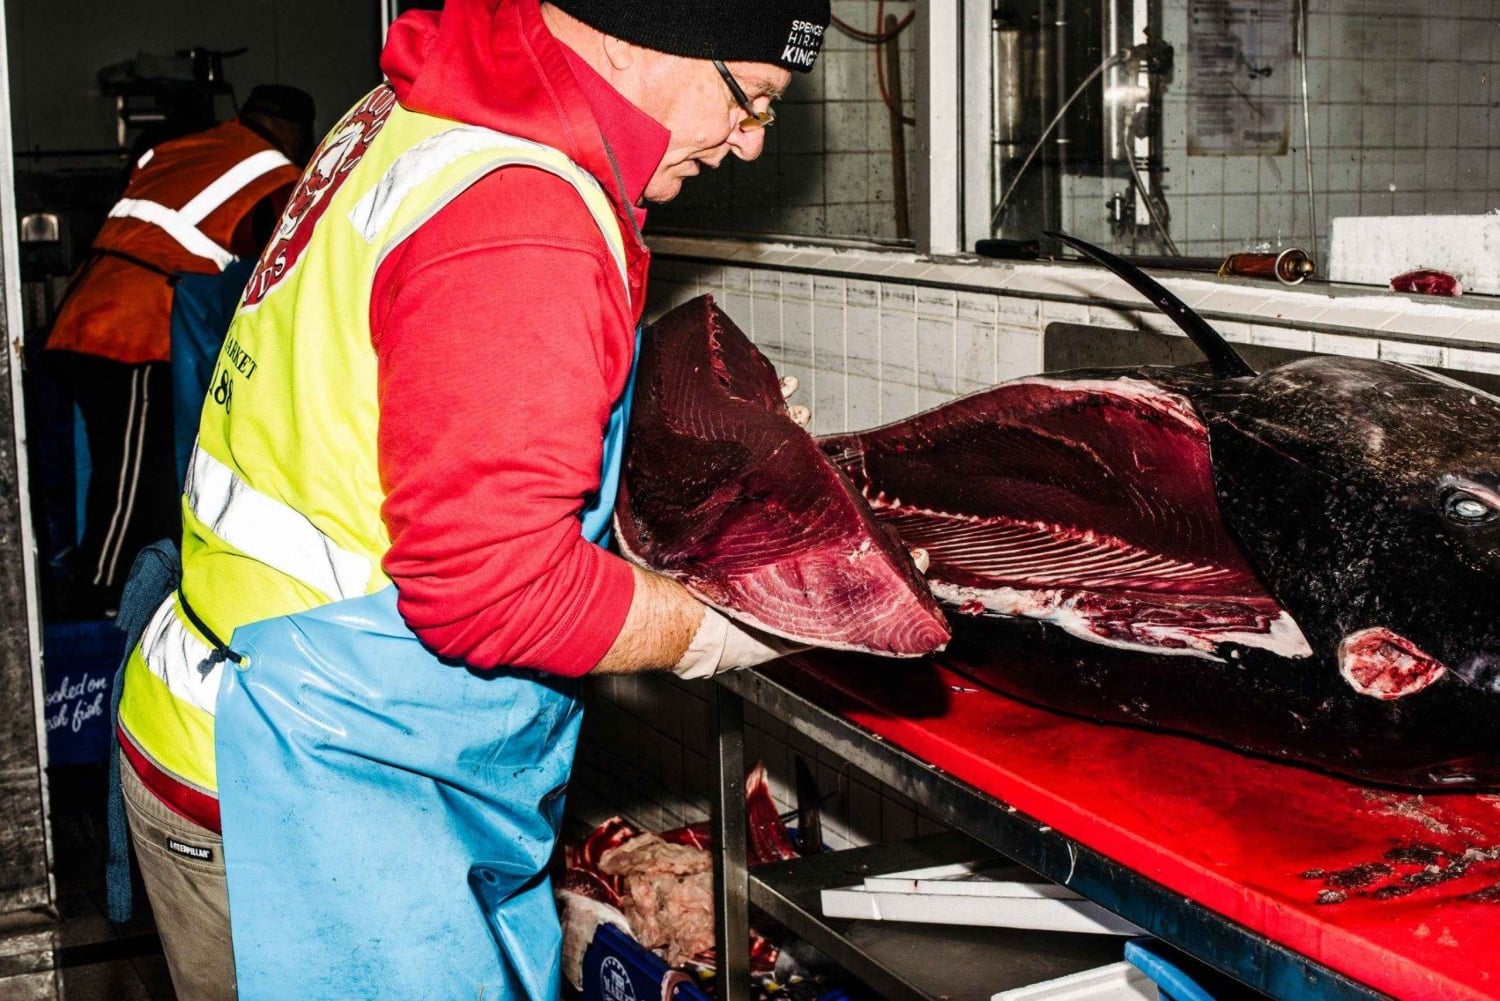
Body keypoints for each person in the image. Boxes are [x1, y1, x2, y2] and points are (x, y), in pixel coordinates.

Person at [111, 1, 829, 997]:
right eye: (746, 98)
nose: (747, 144)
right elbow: (494, 587)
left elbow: (407, 414)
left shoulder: (426, 116)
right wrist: (717, 625)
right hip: (313, 778)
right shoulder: (523, 207)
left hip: (254, 708)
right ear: (632, 31)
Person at [45, 85, 314, 618]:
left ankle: (98, 589)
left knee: (97, 474)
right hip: (134, 330)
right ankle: (96, 602)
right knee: (127, 481)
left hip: (78, 314)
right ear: (297, 131)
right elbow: (274, 284)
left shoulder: (188, 146)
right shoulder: (279, 179)